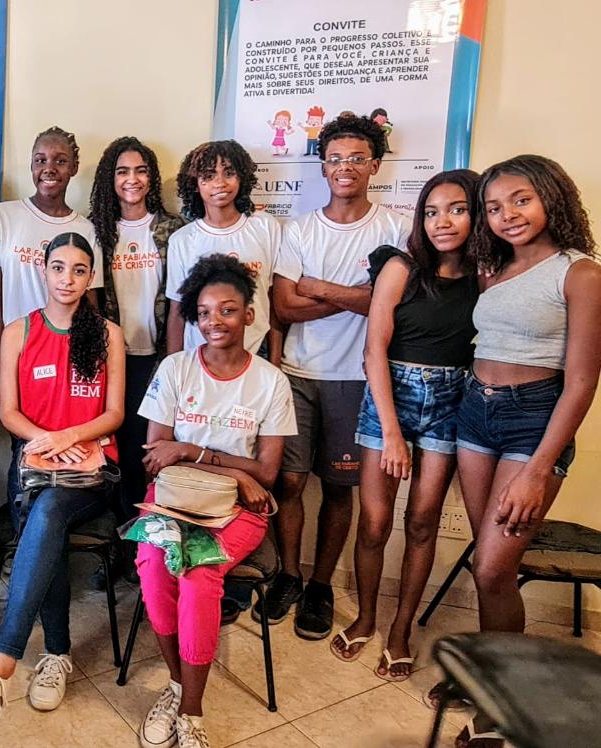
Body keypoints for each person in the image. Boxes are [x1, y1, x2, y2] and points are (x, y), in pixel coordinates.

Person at [442, 156, 599, 747]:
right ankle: (488, 675)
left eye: (521, 200)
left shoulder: (580, 274)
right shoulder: (495, 269)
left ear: (552, 198)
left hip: (533, 421)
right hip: (474, 412)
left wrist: (537, 470)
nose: (506, 214)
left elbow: (581, 381)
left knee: (492, 566)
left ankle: (501, 705)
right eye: (494, 206)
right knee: (490, 566)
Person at [0, 233, 125, 747]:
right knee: (42, 516)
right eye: (58, 267)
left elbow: (114, 413)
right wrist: (48, 442)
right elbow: (8, 412)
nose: (67, 279)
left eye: (79, 270)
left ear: (90, 278)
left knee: (44, 515)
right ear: (43, 271)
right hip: (33, 461)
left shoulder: (108, 334)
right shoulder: (18, 331)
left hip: (92, 468)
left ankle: (0, 668)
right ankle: (55, 654)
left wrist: (71, 438)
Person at [134, 255, 296, 748]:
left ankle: (191, 711)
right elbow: (156, 457)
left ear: (249, 314)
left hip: (238, 510)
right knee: (153, 564)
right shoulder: (175, 368)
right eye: (203, 313)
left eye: (227, 310)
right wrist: (231, 469)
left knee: (199, 574)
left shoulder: (271, 381)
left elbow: (266, 474)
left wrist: (193, 452)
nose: (214, 322)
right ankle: (178, 684)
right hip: (171, 498)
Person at [330, 170, 480, 681]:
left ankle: (400, 631)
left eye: (457, 209)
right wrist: (392, 433)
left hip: (450, 400)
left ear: (477, 214)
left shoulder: (486, 275)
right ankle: (366, 618)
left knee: (421, 523)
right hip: (389, 396)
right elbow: (374, 350)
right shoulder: (400, 267)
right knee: (374, 523)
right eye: (432, 212)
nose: (443, 222)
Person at [268, 114, 411, 640]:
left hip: (358, 378)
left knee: (338, 488)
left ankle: (321, 585)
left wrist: (320, 288)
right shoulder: (299, 230)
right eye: (334, 159)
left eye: (355, 158)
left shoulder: (396, 229)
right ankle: (289, 573)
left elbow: (395, 304)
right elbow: (285, 306)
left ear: (374, 165)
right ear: (322, 166)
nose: (344, 167)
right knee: (288, 481)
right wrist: (362, 296)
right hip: (296, 374)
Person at [88, 136, 184, 527]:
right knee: (118, 451)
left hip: (157, 359)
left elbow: (179, 303)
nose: (133, 179)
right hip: (113, 359)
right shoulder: (97, 231)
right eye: (123, 171)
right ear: (110, 179)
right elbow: (91, 302)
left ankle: (149, 534)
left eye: (141, 170)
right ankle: (120, 535)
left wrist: (173, 364)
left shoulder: (173, 230)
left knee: (150, 450)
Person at [0, 127, 102, 402]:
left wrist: (89, 362)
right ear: (31, 166)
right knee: (18, 427)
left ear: (74, 167)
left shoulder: (87, 230)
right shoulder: (2, 216)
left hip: (67, 355)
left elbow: (90, 305)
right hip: (17, 352)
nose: (49, 168)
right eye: (40, 160)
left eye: (60, 161)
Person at [165, 140, 281, 358]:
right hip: (199, 357)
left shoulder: (266, 227)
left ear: (241, 177)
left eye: (229, 173)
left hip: (257, 352)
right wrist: (171, 366)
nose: (220, 183)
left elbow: (274, 302)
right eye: (209, 176)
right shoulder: (182, 240)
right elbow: (177, 312)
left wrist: (275, 361)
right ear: (195, 184)